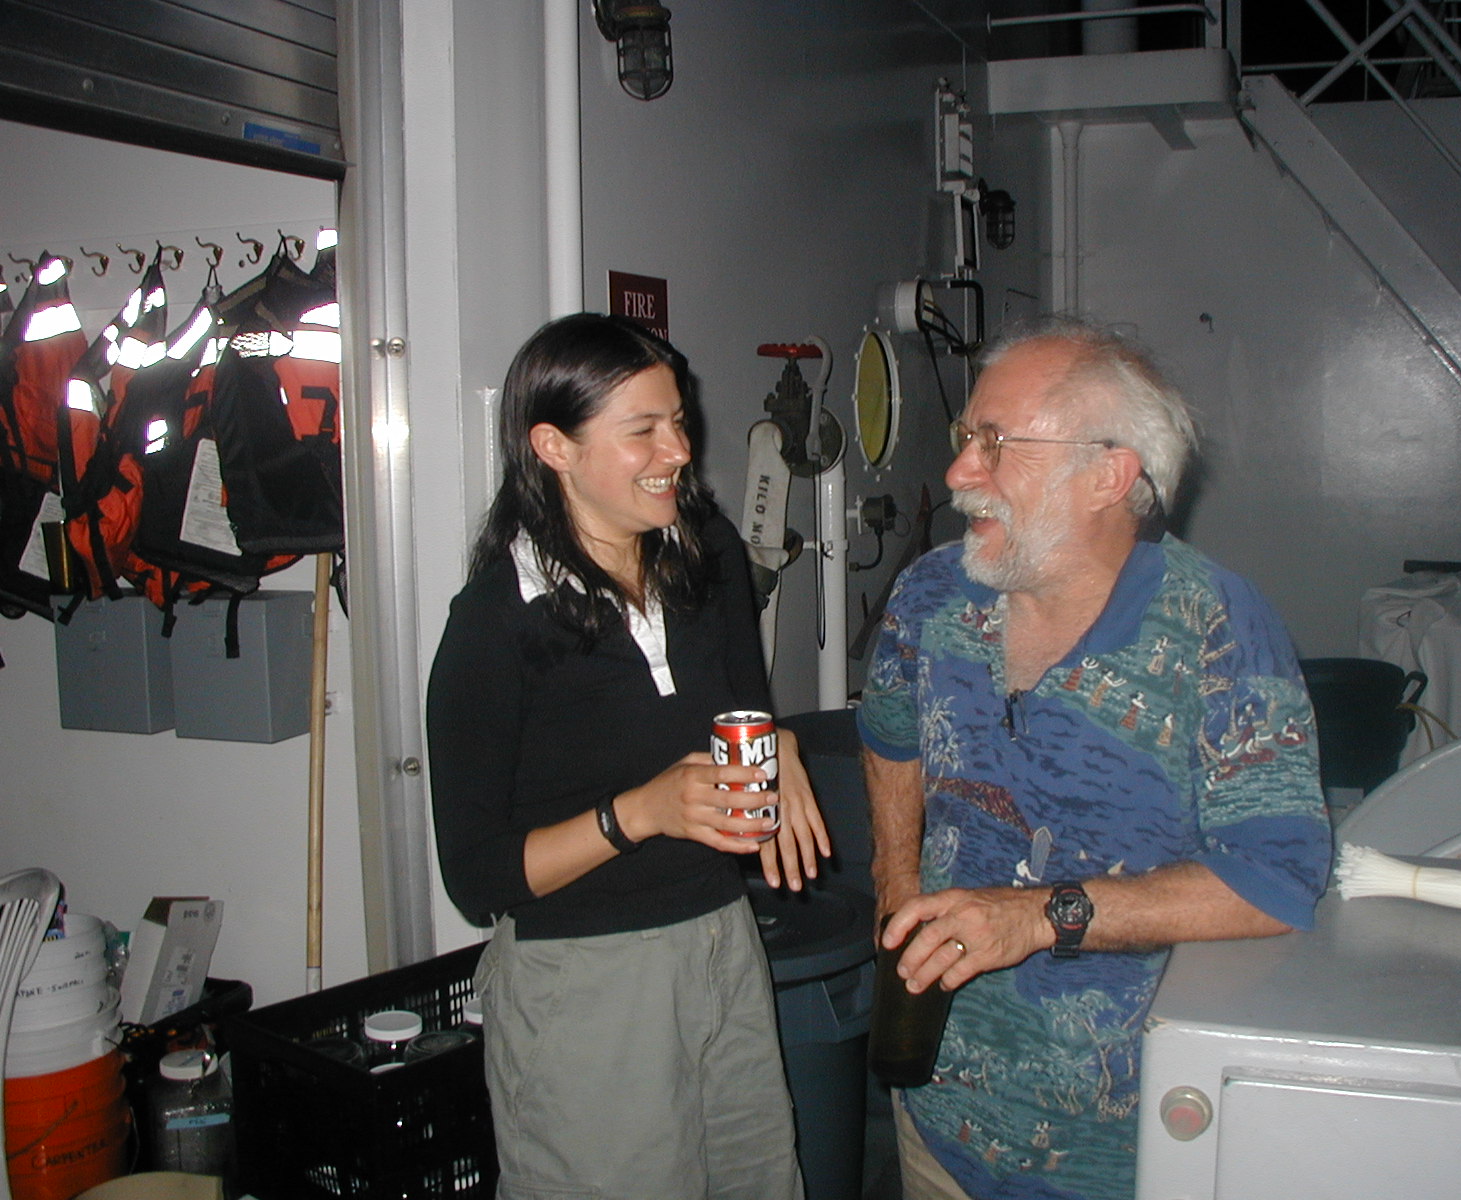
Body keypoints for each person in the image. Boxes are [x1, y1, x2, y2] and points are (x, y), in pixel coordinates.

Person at [858, 316, 1332, 1200]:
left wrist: (1040, 917)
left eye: (996, 443)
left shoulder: (1217, 629)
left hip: (1120, 1153)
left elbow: (1277, 881)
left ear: (1108, 475)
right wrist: (897, 881)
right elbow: (889, 736)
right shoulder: (930, 593)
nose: (959, 472)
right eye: (967, 437)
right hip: (938, 1124)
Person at [427, 312, 830, 1200]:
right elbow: (476, 878)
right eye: (643, 429)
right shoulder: (494, 623)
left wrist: (779, 741)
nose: (678, 450)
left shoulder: (707, 552)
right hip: (585, 981)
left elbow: (744, 711)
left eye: (678, 421)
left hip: (722, 940)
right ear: (554, 448)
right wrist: (635, 815)